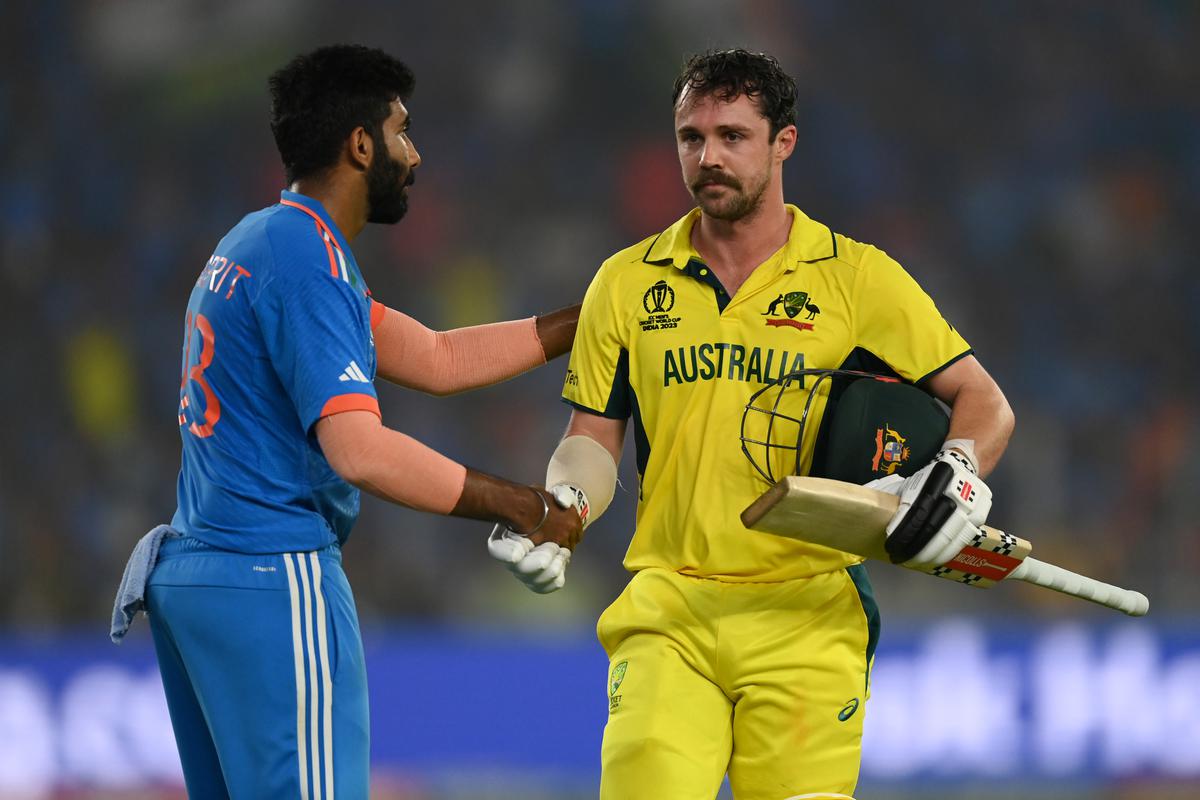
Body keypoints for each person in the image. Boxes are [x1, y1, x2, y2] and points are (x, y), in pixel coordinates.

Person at [488, 49, 1014, 799]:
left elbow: (983, 401)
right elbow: (592, 437)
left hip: (808, 613)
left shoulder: (856, 277)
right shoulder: (627, 282)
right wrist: (566, 506)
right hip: (670, 610)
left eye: (733, 136)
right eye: (691, 137)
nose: (708, 157)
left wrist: (955, 473)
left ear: (782, 144)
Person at [111, 44, 583, 798]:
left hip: (200, 578)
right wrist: (524, 506)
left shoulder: (261, 241)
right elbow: (358, 450)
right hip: (270, 576)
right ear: (361, 145)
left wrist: (582, 322)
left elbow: (437, 357)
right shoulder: (308, 261)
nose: (415, 153)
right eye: (402, 131)